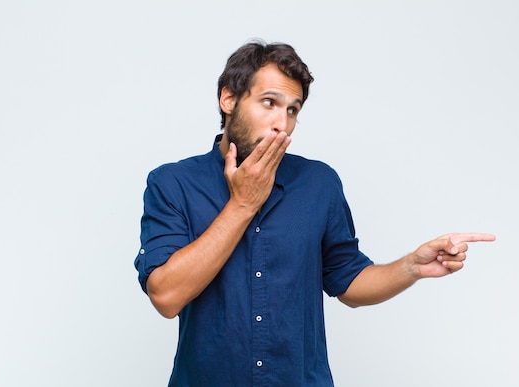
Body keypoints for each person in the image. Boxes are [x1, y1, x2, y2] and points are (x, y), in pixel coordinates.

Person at [134, 40, 495, 387]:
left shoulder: (319, 183)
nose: (283, 124)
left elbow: (348, 281)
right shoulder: (173, 183)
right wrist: (243, 204)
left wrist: (411, 267)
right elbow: (166, 297)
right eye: (269, 103)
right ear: (228, 98)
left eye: (293, 109)